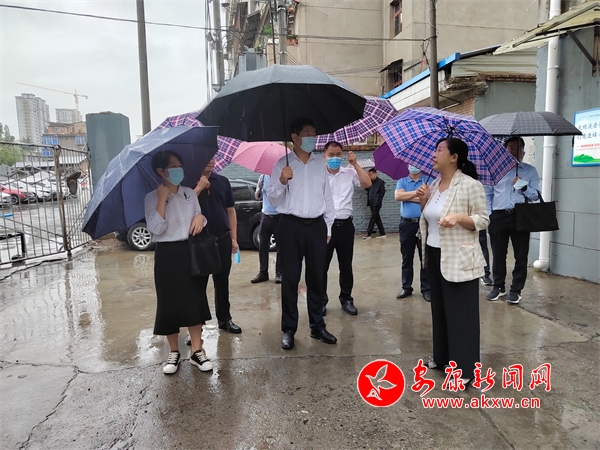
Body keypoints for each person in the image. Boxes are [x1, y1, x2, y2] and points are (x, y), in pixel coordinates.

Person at [416, 137, 489, 384]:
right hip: (435, 253)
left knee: (461, 315)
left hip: (459, 257)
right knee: (440, 310)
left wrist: (459, 218)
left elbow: (483, 219)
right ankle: (442, 358)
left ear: (454, 157)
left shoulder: (470, 185)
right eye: (435, 150)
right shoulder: (434, 184)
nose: (434, 154)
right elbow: (430, 218)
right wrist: (424, 201)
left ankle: (465, 369)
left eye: (440, 150)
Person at [267, 118, 336, 350]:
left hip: (316, 226)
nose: (312, 138)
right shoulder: (282, 164)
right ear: (295, 138)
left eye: (314, 133)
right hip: (290, 226)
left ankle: (317, 326)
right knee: (290, 278)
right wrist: (281, 180)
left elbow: (327, 198)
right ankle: (289, 329)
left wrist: (328, 227)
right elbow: (273, 199)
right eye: (307, 133)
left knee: (317, 277)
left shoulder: (319, 164)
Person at [144, 150, 213, 374]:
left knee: (194, 299)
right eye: (173, 166)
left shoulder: (189, 194)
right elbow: (156, 228)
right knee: (168, 302)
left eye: (180, 165)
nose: (179, 170)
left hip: (189, 250)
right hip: (166, 254)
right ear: (161, 171)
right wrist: (161, 200)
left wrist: (201, 217)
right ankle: (173, 352)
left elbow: (199, 215)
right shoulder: (151, 198)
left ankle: (197, 351)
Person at [485, 137, 540, 304]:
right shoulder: (495, 170)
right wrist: (489, 215)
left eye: (518, 148)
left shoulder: (530, 171)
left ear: (523, 151)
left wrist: (523, 186)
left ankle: (516, 290)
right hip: (498, 216)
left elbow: (536, 196)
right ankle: (498, 287)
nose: (514, 151)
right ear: (505, 150)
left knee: (521, 255)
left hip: (520, 215)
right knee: (498, 254)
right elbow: (488, 194)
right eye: (511, 147)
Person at [322, 141, 372, 316]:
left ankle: (346, 299)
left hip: (345, 227)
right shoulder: (319, 175)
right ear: (324, 156)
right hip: (325, 227)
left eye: (338, 154)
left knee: (346, 265)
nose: (335, 158)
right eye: (331, 155)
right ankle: (321, 301)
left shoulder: (349, 173)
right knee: (321, 266)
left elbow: (367, 183)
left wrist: (355, 164)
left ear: (342, 155)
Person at [193, 157, 242, 334]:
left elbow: (230, 211)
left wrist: (233, 238)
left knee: (222, 282)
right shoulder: (189, 183)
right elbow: (183, 208)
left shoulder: (222, 181)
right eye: (206, 157)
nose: (210, 161)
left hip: (222, 238)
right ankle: (197, 325)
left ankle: (225, 319)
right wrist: (199, 187)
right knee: (198, 285)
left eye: (213, 157)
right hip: (199, 241)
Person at [394, 165, 431, 302]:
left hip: (424, 223)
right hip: (407, 225)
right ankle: (406, 287)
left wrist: (407, 196)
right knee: (406, 257)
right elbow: (398, 196)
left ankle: (426, 288)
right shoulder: (402, 181)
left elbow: (430, 199)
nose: (413, 166)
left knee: (425, 258)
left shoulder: (429, 181)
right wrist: (418, 194)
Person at [250, 173, 282, 284]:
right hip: (265, 216)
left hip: (279, 216)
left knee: (281, 247)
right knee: (263, 246)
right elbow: (257, 197)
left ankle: (279, 273)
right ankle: (263, 272)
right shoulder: (263, 177)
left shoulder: (281, 176)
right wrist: (259, 188)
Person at [364, 168, 386, 239]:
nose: (369, 176)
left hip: (377, 203)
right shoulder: (370, 182)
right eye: (368, 175)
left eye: (370, 174)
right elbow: (366, 189)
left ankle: (368, 234)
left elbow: (382, 192)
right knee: (376, 218)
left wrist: (378, 201)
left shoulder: (380, 182)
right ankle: (382, 233)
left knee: (373, 218)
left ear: (375, 173)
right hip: (371, 202)